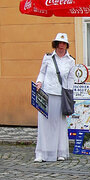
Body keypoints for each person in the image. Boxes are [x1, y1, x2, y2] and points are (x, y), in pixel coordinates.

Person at [34, 33, 76, 162]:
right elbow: (42, 72)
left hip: (60, 95)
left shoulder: (71, 60)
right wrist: (39, 82)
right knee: (44, 124)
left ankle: (60, 152)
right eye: (59, 43)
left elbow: (70, 78)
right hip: (46, 94)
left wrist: (69, 94)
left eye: (64, 43)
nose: (61, 46)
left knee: (59, 124)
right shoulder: (47, 58)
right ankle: (41, 153)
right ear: (56, 44)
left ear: (66, 45)